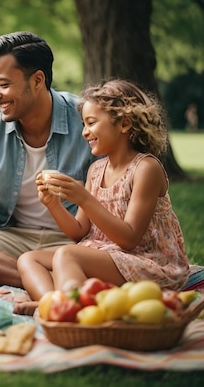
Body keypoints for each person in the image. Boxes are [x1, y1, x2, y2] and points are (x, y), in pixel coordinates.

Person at [16, 79, 190, 314]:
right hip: (107, 256)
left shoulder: (146, 168)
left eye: (91, 123)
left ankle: (72, 307)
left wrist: (84, 198)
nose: (85, 132)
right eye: (84, 124)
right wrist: (54, 204)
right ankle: (54, 304)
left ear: (125, 123)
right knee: (28, 259)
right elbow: (78, 231)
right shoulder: (96, 170)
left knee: (68, 254)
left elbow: (129, 239)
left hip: (147, 261)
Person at [0, 32, 94, 292]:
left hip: (76, 240)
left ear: (37, 80)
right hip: (12, 235)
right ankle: (58, 281)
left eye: (2, 85)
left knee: (107, 257)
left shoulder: (87, 121)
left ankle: (37, 277)